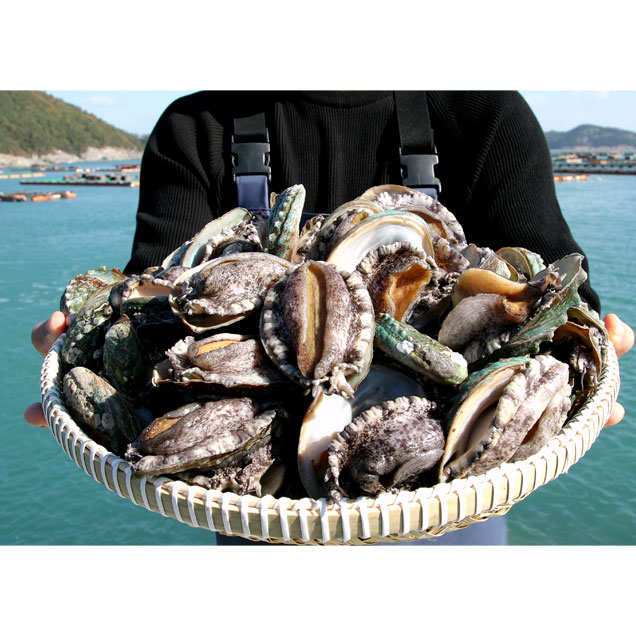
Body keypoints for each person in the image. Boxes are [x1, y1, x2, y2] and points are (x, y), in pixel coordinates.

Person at [24, 91, 634, 544]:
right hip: (265, 518)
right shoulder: (197, 128)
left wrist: (585, 348)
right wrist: (94, 353)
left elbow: (558, 289)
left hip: (457, 507)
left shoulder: (483, 113)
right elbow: (151, 296)